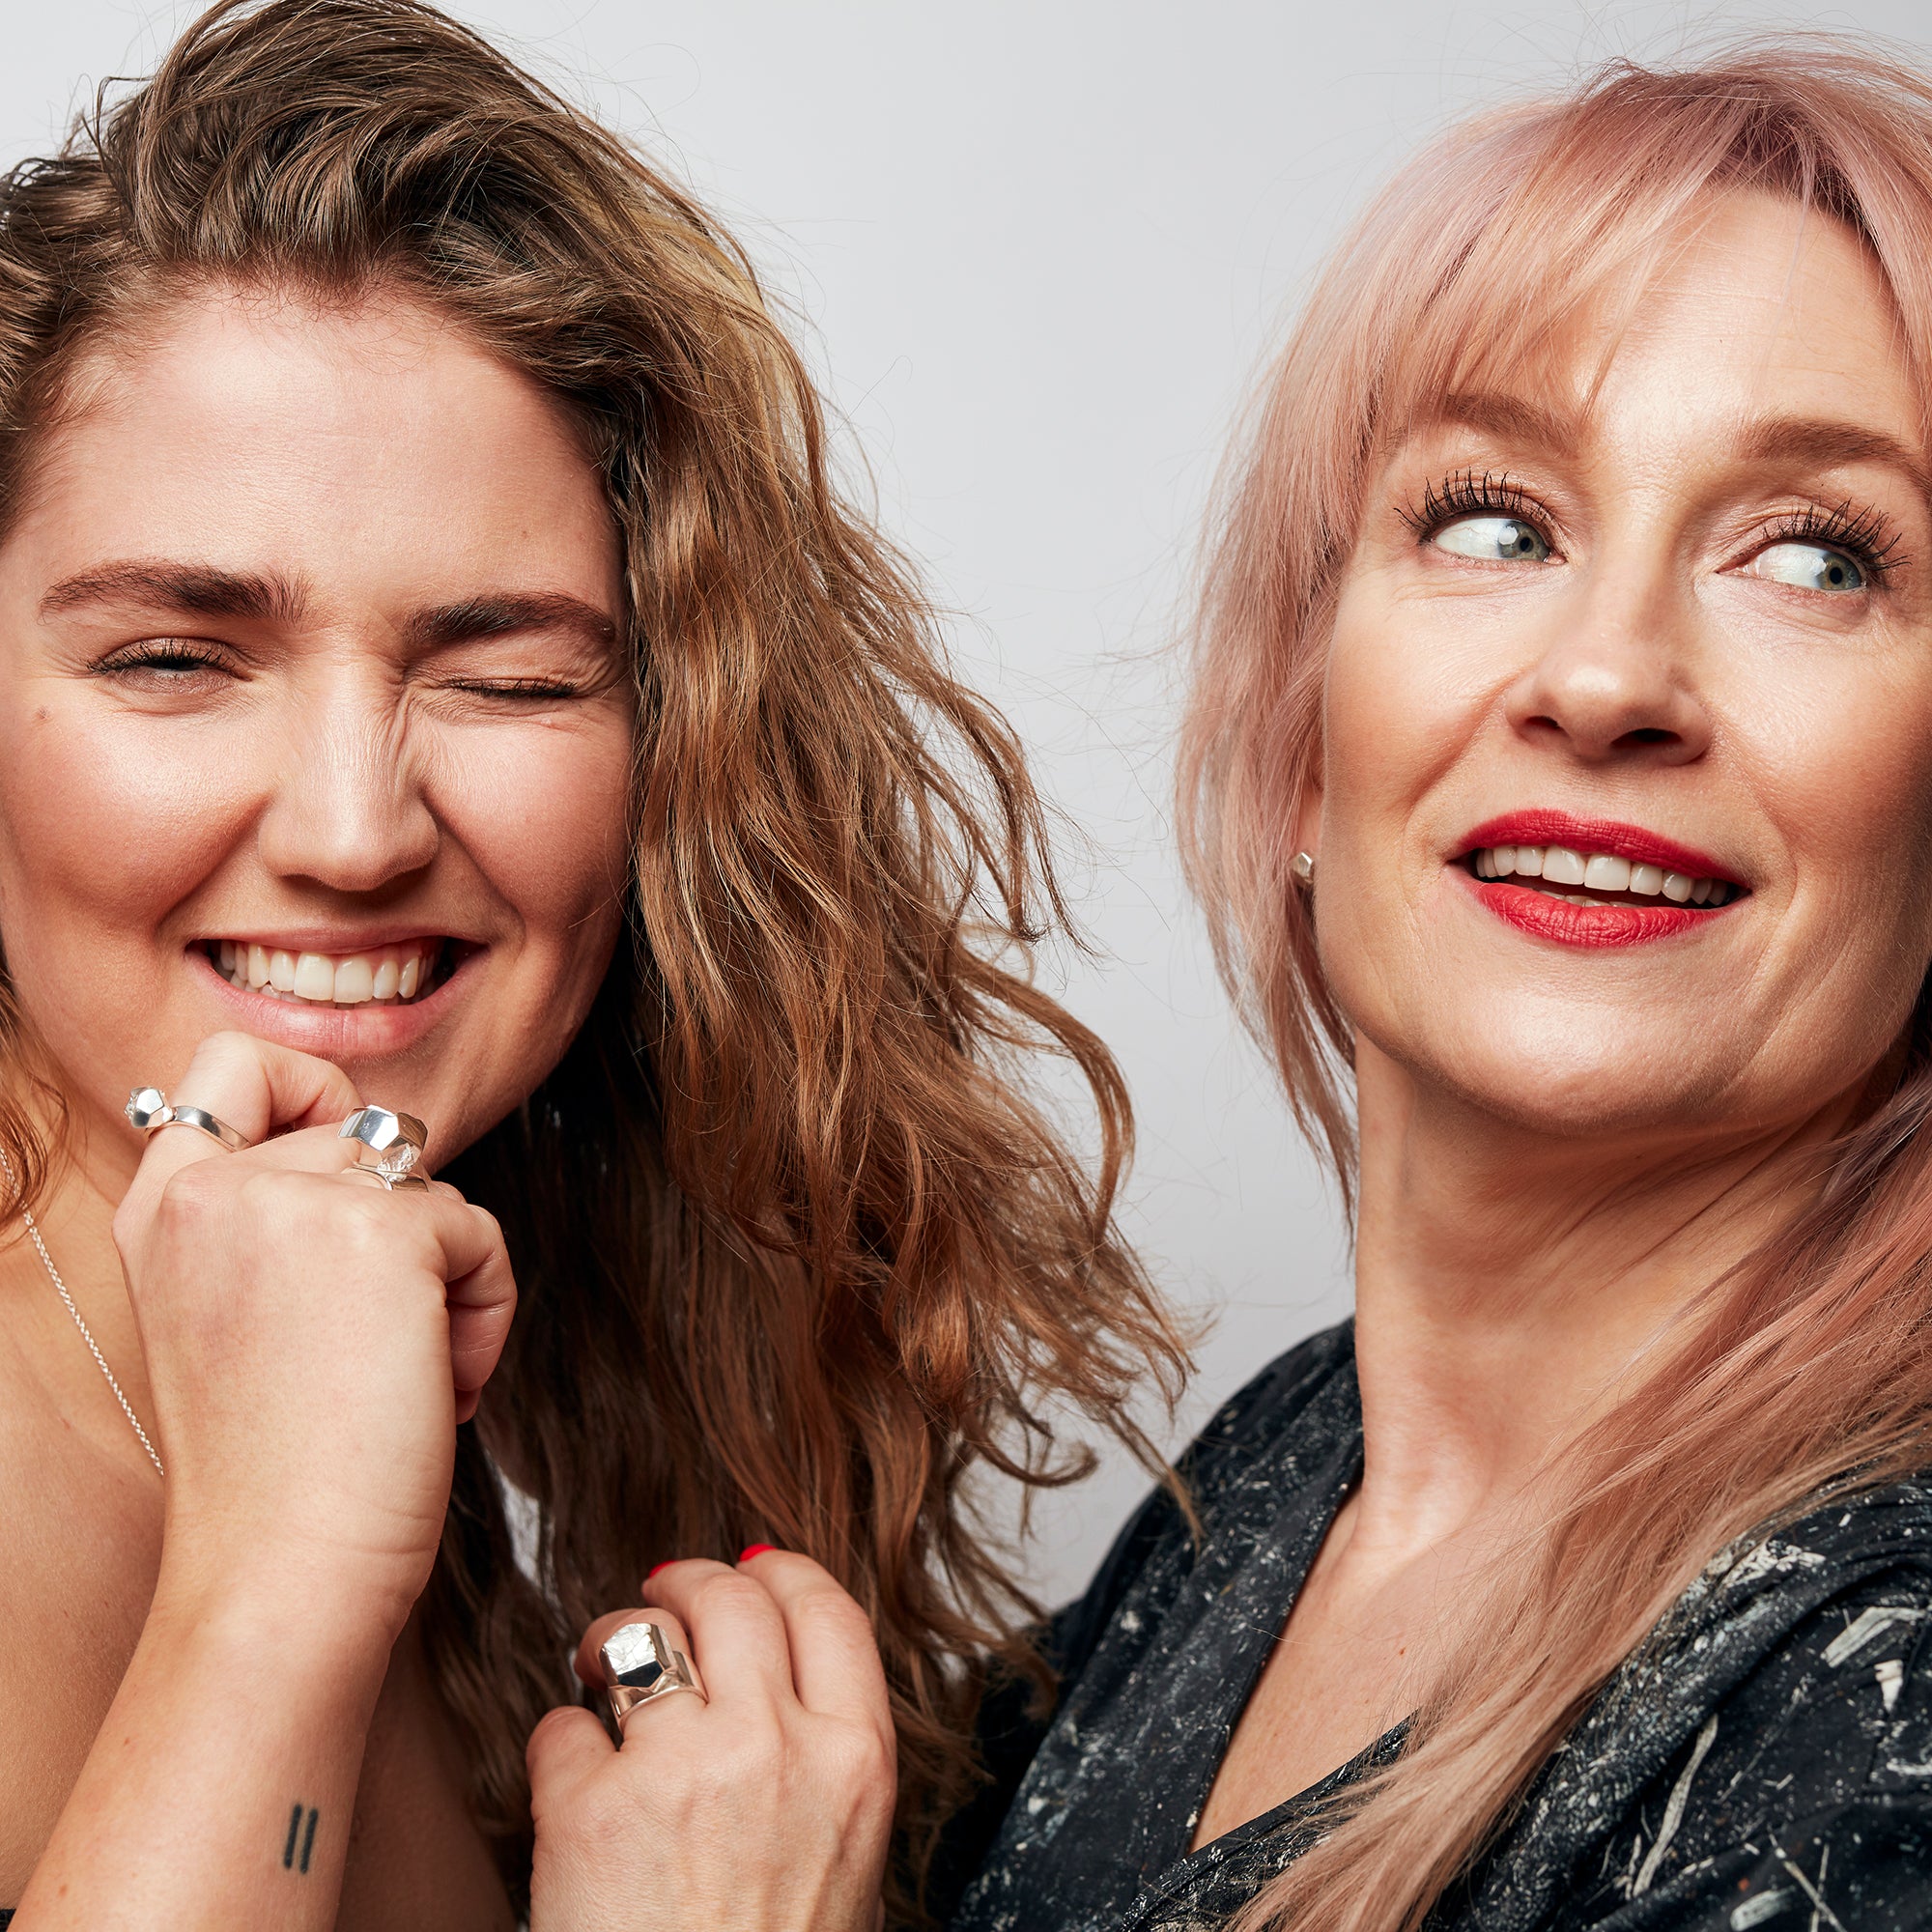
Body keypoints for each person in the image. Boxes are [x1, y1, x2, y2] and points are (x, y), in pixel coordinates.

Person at [0, 3, 1184, 1928]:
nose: (356, 827)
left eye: (510, 674)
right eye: (172, 655)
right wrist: (279, 1577)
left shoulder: (393, 1355)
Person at [937, 38, 1932, 1932]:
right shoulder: (1280, 1473)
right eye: (1496, 521)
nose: (1605, 674)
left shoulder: (1882, 1722)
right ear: (1304, 742)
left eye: (1812, 555)